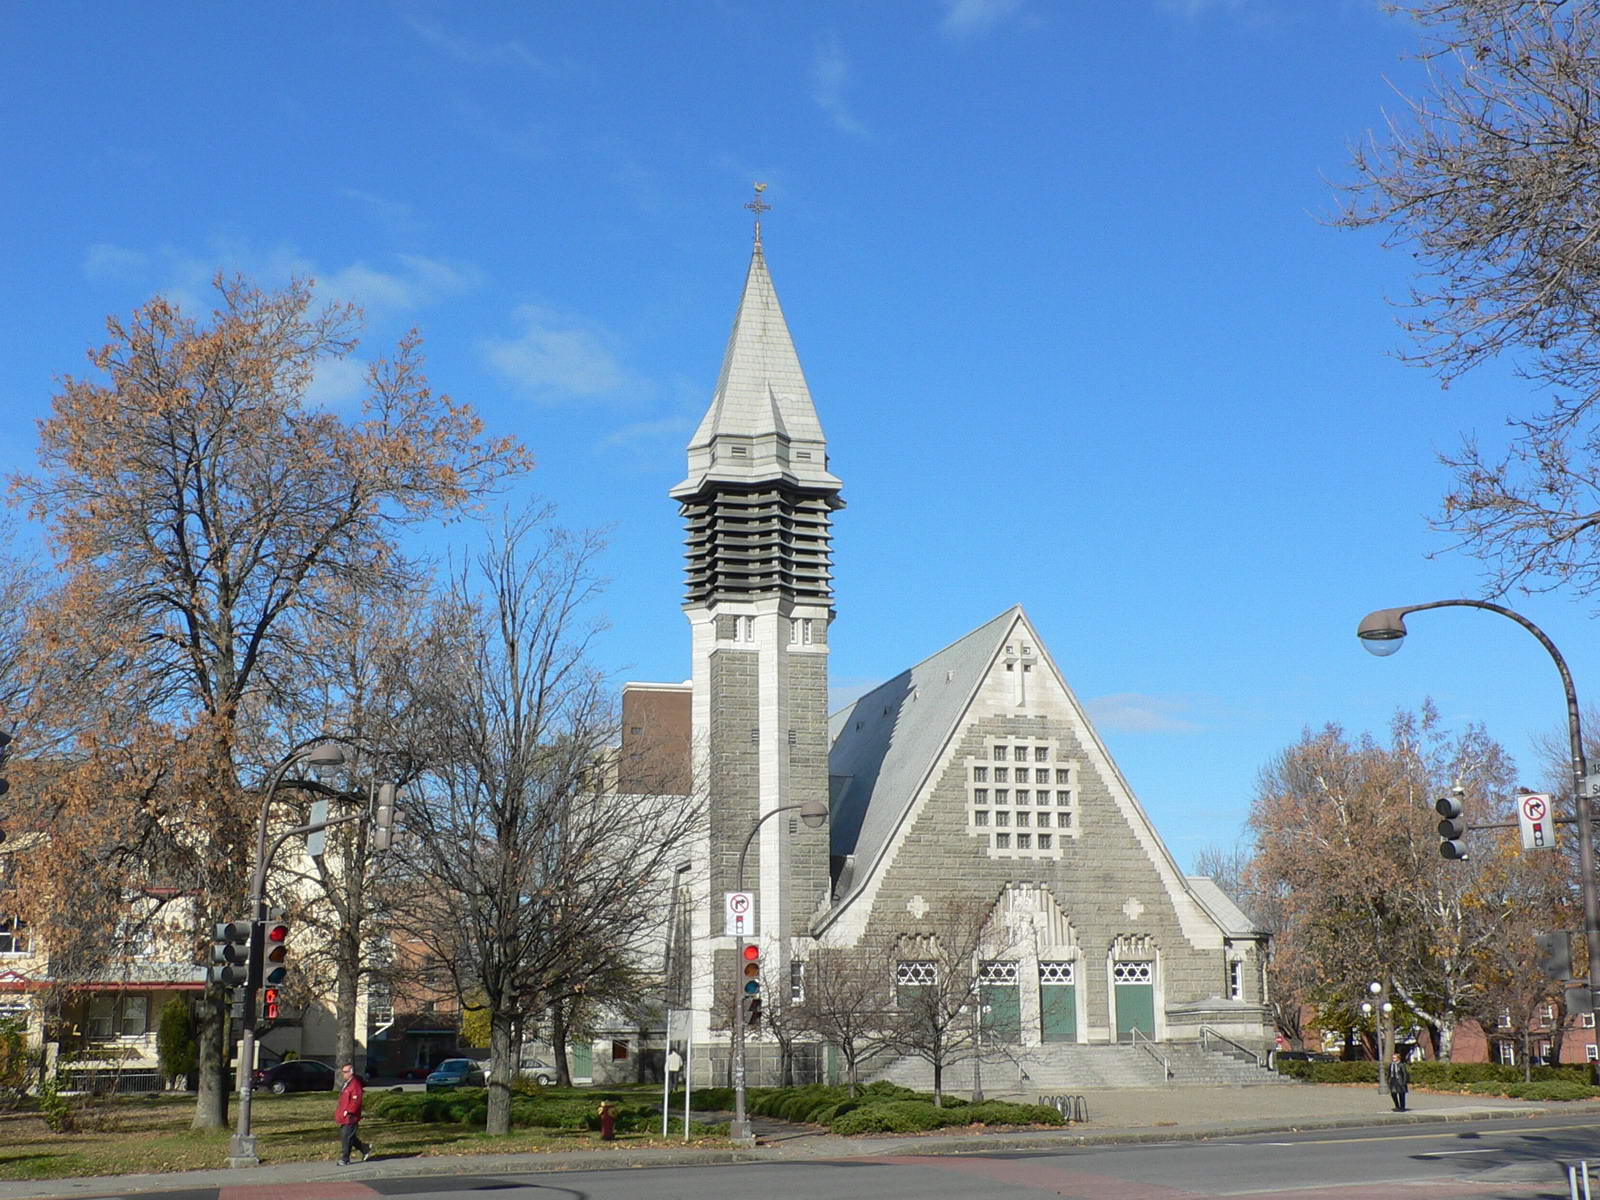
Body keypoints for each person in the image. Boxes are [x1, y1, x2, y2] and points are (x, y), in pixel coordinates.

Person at [335, 1062, 372, 1164]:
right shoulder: (346, 1084)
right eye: (343, 1072)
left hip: (351, 1116)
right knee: (349, 1136)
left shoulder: (355, 1085)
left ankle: (345, 1159)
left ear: (351, 1072)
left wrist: (348, 1111)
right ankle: (365, 1148)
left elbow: (356, 1101)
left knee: (346, 1137)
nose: (344, 1074)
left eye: (346, 1072)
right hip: (344, 1115)